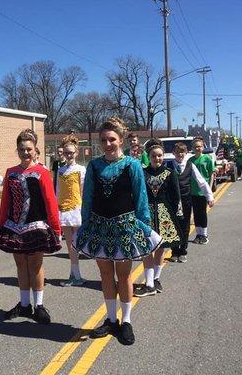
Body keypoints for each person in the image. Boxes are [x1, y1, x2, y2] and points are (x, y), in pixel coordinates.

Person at [74, 119, 161, 345]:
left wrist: (144, 226)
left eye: (112, 139)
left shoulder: (132, 165)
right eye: (104, 140)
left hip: (125, 227)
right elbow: (88, 198)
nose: (108, 143)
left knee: (124, 276)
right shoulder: (94, 166)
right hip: (100, 227)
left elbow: (140, 197)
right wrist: (85, 226)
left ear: (121, 140)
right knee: (105, 275)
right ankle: (111, 319)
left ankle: (127, 321)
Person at [0, 129, 61, 325]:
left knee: (35, 265)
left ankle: (39, 306)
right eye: (22, 149)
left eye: (29, 149)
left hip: (36, 225)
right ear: (18, 150)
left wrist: (55, 229)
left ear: (35, 150)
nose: (25, 153)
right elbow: (6, 200)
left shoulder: (42, 172)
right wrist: (1, 227)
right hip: (14, 226)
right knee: (20, 265)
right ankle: (24, 304)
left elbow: (50, 201)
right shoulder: (11, 172)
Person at [134, 139, 182, 297]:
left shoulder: (170, 173)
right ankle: (149, 281)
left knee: (161, 247)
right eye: (154, 156)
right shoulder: (142, 172)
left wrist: (174, 214)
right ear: (149, 156)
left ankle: (155, 278)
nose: (157, 158)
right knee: (147, 246)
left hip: (164, 214)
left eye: (160, 155)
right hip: (146, 213)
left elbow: (175, 196)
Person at [167, 142, 214, 262]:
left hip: (186, 200)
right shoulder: (168, 165)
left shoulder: (190, 165)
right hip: (172, 201)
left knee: (185, 226)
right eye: (177, 152)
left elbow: (201, 182)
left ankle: (183, 251)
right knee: (173, 226)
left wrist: (209, 196)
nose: (180, 154)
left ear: (186, 153)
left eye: (182, 152)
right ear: (173, 153)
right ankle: (174, 252)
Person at [56, 135, 86, 286]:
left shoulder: (81, 169)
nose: (69, 155)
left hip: (77, 209)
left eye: (71, 152)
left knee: (77, 243)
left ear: (76, 153)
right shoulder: (60, 170)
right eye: (66, 152)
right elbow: (58, 191)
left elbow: (83, 191)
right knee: (69, 245)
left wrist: (84, 210)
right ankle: (75, 274)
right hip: (64, 210)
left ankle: (76, 275)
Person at [188, 137, 215, 245]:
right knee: (196, 213)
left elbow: (211, 174)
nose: (198, 148)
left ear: (203, 147)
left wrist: (210, 188)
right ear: (192, 149)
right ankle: (198, 234)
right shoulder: (190, 160)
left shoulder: (207, 158)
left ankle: (204, 234)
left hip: (203, 191)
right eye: (195, 147)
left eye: (199, 146)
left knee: (202, 213)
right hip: (193, 191)